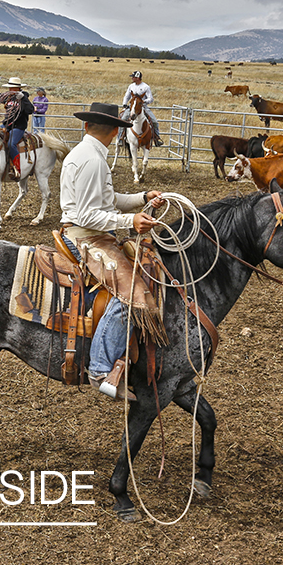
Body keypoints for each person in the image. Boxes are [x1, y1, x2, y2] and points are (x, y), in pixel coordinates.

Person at [59, 102, 166, 399]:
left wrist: (141, 197)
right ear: (115, 132)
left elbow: (108, 199)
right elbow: (87, 215)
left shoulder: (88, 154)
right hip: (85, 236)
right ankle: (101, 368)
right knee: (130, 289)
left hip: (89, 231)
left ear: (87, 126)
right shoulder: (92, 160)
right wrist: (129, 220)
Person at [0, 77, 32, 178]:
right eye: (10, 88)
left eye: (13, 88)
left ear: (18, 89)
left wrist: (23, 98)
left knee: (11, 144)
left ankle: (17, 167)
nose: (11, 90)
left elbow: (30, 110)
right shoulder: (9, 97)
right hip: (7, 124)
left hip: (18, 126)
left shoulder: (24, 98)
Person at [121, 70, 163, 146]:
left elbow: (150, 98)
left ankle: (156, 138)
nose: (132, 78)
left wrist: (143, 102)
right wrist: (124, 104)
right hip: (132, 107)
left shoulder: (146, 87)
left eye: (133, 77)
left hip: (143, 107)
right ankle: (120, 138)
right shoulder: (131, 86)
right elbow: (127, 96)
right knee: (123, 119)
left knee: (154, 121)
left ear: (138, 78)